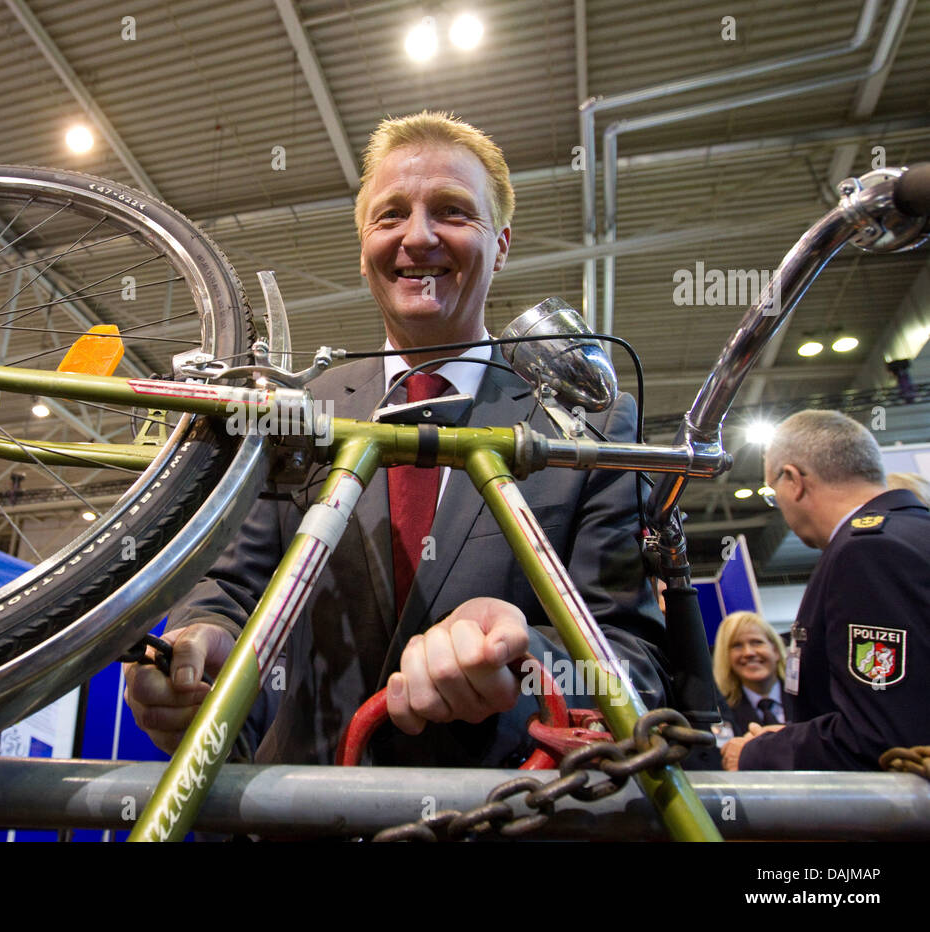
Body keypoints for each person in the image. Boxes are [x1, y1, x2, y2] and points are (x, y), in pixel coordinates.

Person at [125, 111, 671, 768]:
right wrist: (203, 645)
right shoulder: (294, 411)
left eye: (451, 211)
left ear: (500, 245)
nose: (417, 236)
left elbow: (634, 666)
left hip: (504, 809)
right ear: (363, 246)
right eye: (390, 217)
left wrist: (523, 655)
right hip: (299, 817)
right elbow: (234, 585)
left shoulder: (589, 422)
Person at [723, 410, 930, 771]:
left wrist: (761, 752)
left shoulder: (867, 552)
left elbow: (882, 737)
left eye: (774, 495)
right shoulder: (911, 531)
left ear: (793, 480)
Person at [712, 611, 789, 736]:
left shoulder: (808, 696)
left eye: (757, 642)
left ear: (775, 650)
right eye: (737, 645)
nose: (748, 653)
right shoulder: (720, 712)